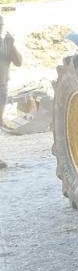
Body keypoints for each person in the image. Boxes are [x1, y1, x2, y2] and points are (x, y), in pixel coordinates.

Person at [0, 15, 22, 169]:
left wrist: (12, 45)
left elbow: (19, 62)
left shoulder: (5, 43)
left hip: (2, 87)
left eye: (1, 25)